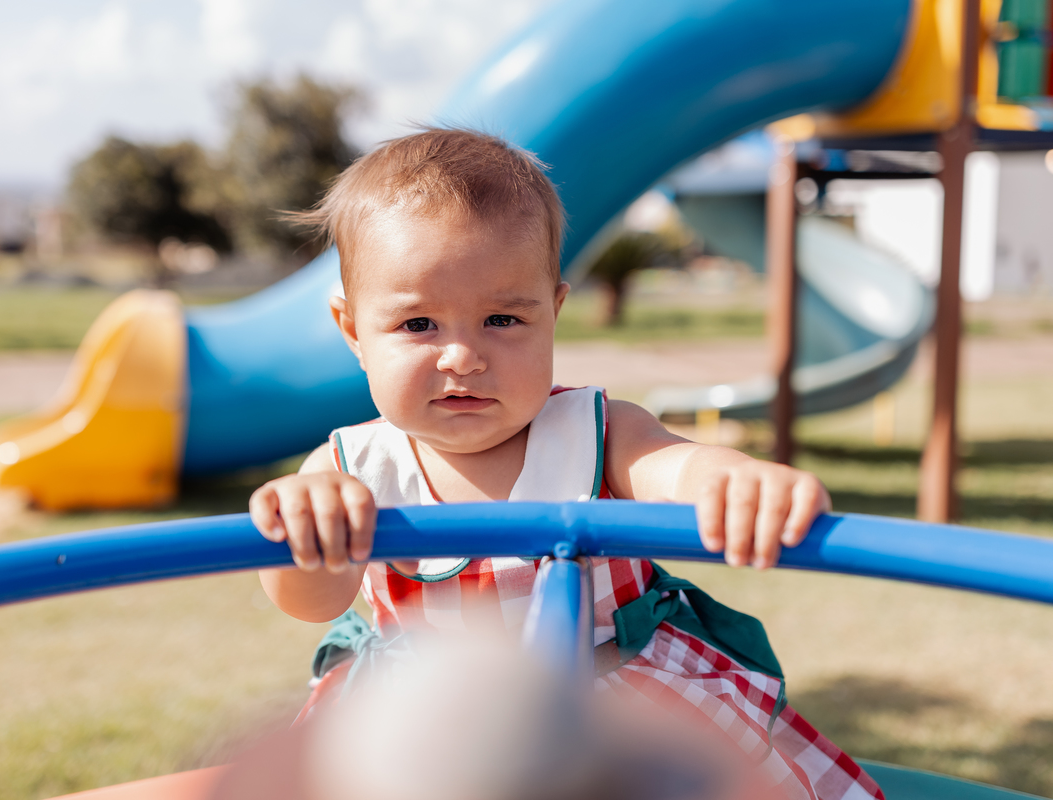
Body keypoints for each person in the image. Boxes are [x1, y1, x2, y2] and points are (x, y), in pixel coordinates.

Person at [249, 128, 882, 800]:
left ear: (552, 312)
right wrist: (310, 534)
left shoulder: (599, 431)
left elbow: (678, 471)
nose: (462, 357)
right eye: (417, 326)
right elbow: (309, 602)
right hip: (429, 731)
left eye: (501, 320)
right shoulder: (349, 466)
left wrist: (731, 480)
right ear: (353, 331)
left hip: (615, 712)